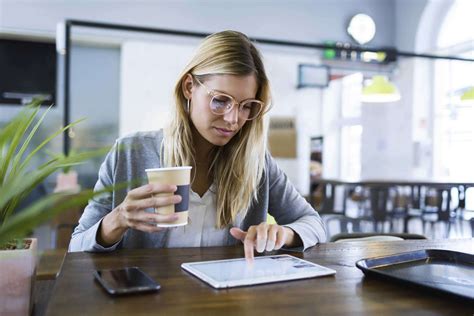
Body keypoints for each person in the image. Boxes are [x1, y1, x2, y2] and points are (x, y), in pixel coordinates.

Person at [69, 30, 327, 259]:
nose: (233, 119)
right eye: (220, 100)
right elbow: (76, 247)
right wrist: (117, 220)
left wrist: (283, 234)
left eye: (246, 106)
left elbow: (313, 223)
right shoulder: (131, 153)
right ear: (189, 87)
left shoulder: (256, 163)